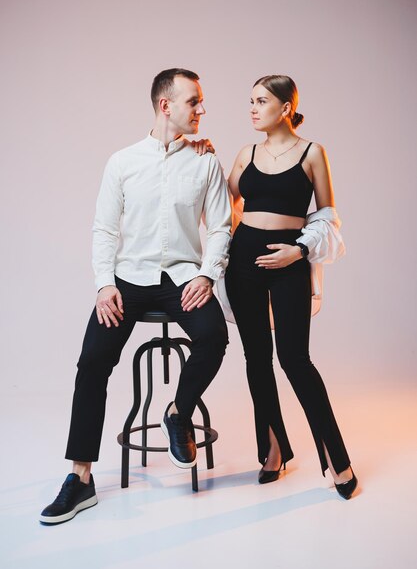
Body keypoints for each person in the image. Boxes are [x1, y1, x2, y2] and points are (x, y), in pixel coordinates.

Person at [40, 68, 232, 524]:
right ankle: (81, 478)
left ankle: (177, 412)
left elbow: (221, 226)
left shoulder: (206, 161)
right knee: (92, 363)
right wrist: (105, 283)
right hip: (128, 279)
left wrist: (207, 275)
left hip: (182, 278)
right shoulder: (122, 162)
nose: (202, 109)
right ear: (166, 106)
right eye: (194, 101)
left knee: (214, 337)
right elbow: (105, 228)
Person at [224, 74, 358, 499]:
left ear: (285, 107)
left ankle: (339, 461)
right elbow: (223, 204)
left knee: (295, 360)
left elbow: (328, 216)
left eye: (261, 101)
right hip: (243, 261)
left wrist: (297, 251)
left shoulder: (312, 152)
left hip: (288, 262)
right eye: (250, 100)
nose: (252, 108)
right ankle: (274, 451)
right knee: (256, 358)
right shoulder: (245, 153)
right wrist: (201, 156)